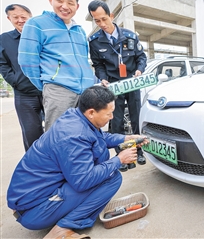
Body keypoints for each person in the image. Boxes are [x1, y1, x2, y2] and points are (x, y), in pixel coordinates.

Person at [7, 85, 148, 239]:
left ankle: (67, 214)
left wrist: (125, 138)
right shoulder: (74, 136)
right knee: (112, 178)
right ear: (92, 112)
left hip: (36, 199)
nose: (112, 117)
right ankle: (63, 228)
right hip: (34, 210)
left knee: (105, 171)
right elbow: (83, 181)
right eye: (109, 113)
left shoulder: (77, 117)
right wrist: (119, 159)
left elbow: (99, 138)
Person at [18, 0, 95, 131]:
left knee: (85, 133)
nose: (65, 6)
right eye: (59, 0)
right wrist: (50, 83)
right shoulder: (36, 24)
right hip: (58, 91)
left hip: (86, 92)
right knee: (58, 135)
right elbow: (27, 61)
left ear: (77, 6)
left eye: (70, 3)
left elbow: (84, 62)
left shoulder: (79, 30)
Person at [88, 0, 147, 166]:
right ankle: (122, 156)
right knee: (117, 121)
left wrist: (139, 70)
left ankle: (138, 151)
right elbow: (98, 64)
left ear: (111, 16)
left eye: (104, 19)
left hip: (132, 83)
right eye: (97, 20)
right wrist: (102, 78)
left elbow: (141, 57)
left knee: (136, 118)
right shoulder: (94, 41)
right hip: (113, 86)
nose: (102, 24)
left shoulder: (130, 36)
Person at [0, 4, 44, 151]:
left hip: (47, 90)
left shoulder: (41, 35)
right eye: (15, 17)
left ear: (30, 17)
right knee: (31, 133)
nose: (20, 20)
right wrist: (15, 81)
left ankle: (55, 166)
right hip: (24, 95)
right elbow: (3, 65)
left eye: (23, 17)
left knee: (56, 129)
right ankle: (35, 168)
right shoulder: (4, 39)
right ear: (9, 18)